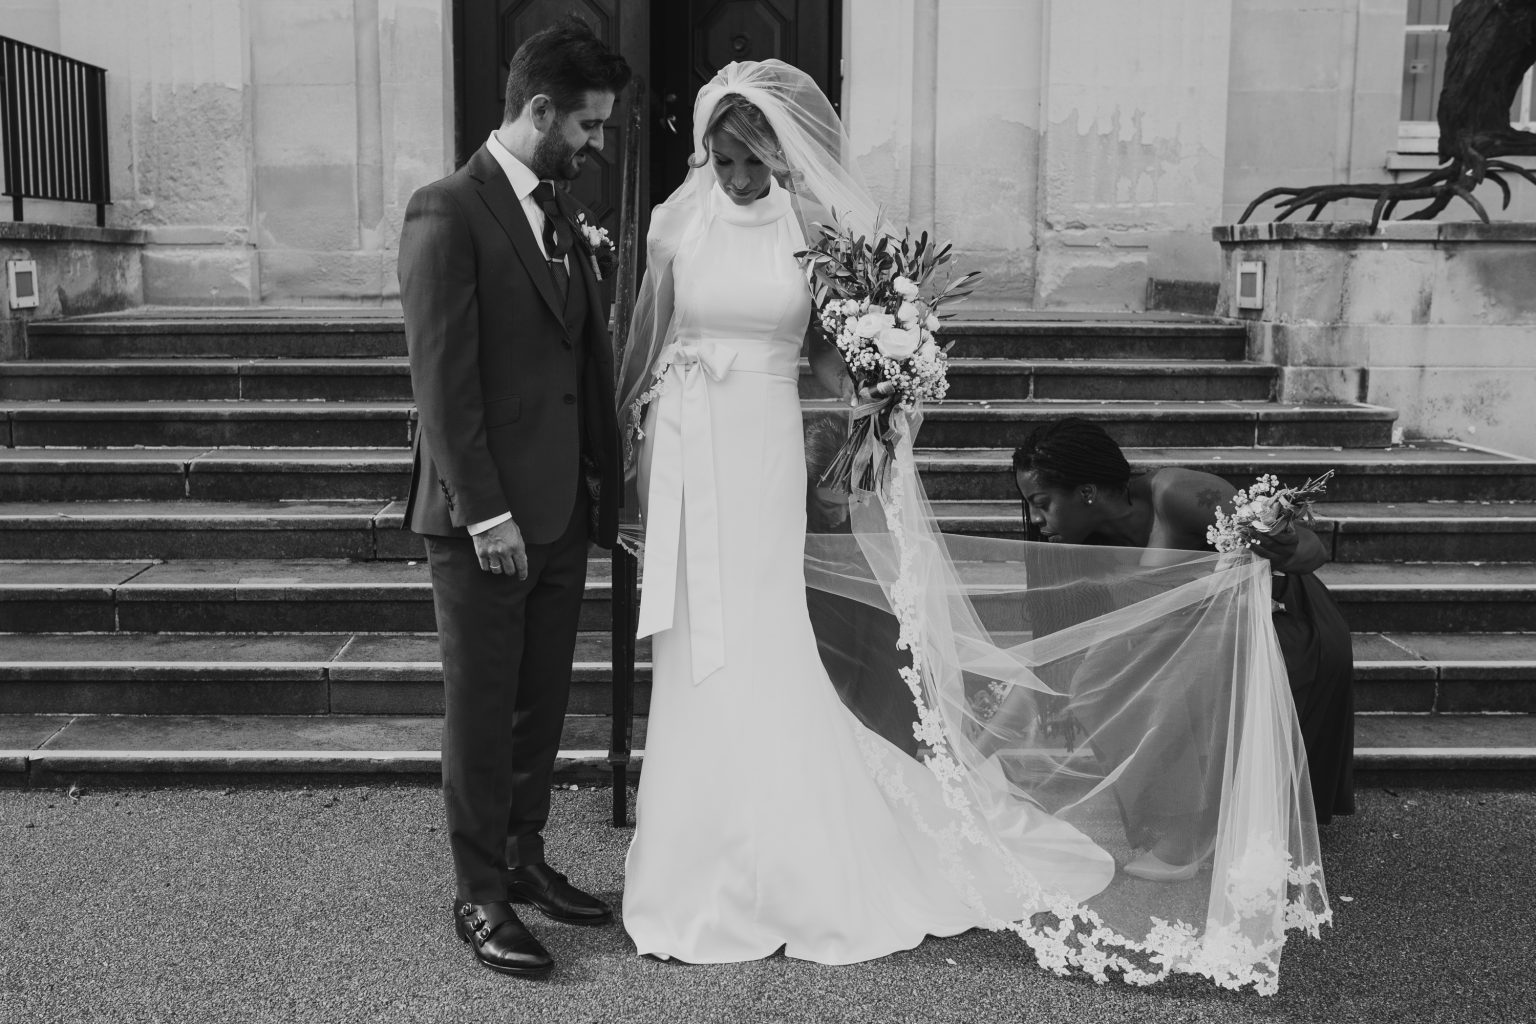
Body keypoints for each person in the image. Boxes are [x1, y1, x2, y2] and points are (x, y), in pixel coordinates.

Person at [616, 61, 1114, 967]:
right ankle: (696, 847)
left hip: (763, 443)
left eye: (753, 163)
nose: (737, 180)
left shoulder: (811, 231)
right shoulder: (670, 224)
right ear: (706, 151)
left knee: (763, 630)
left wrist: (879, 386)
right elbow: (644, 347)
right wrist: (631, 460)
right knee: (691, 639)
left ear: (779, 155)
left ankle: (797, 850)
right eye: (724, 162)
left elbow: (820, 362)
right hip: (686, 443)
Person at [397, 20, 630, 977]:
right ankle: (480, 894)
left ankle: (525, 857)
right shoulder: (447, 210)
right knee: (483, 709)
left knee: (540, 704)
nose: (597, 145)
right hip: (485, 520)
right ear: (537, 112)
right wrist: (485, 512)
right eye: (587, 126)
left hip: (560, 509)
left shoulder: (560, 213)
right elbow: (442, 382)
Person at [1011, 417, 1356, 843]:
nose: (1036, 518)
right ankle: (1178, 818)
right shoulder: (1079, 543)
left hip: (1283, 622)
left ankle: (1187, 835)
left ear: (1087, 492)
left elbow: (1313, 548)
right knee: (1102, 680)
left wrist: (1280, 545)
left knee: (1172, 670)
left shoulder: (1177, 495)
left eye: (1042, 502)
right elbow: (1069, 642)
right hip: (1197, 633)